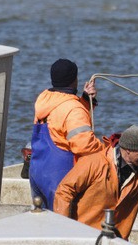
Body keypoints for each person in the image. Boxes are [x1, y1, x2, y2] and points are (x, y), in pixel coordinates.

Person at [30, 58, 104, 209]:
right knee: (63, 227)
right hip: (58, 175)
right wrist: (108, 151)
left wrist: (85, 100)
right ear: (74, 80)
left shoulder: (44, 98)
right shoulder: (73, 109)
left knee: (42, 222)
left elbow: (62, 118)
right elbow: (84, 146)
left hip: (37, 172)